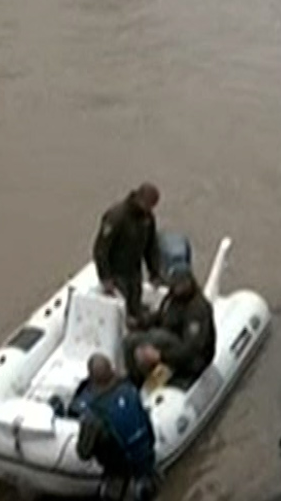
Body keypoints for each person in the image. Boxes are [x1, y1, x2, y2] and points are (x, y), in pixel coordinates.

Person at [73, 354, 158, 497]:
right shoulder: (130, 389)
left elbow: (83, 453)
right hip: (147, 461)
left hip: (120, 471)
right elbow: (147, 425)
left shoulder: (93, 415)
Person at [125, 270, 216, 388]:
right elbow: (161, 316)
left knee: (154, 338)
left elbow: (192, 349)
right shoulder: (172, 297)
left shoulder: (197, 310)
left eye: (179, 285)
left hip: (192, 357)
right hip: (169, 341)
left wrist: (160, 355)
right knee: (130, 341)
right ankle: (136, 381)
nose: (175, 288)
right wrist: (141, 322)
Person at [92, 183, 163, 323]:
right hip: (116, 272)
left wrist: (154, 272)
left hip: (134, 270)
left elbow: (151, 246)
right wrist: (105, 277)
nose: (150, 209)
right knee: (119, 312)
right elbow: (101, 249)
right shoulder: (116, 217)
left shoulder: (147, 218)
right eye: (149, 205)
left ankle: (136, 325)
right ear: (139, 199)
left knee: (135, 305)